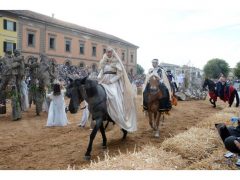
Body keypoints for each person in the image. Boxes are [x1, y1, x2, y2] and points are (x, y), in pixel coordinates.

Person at [97, 47, 137, 132]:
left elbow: (119, 74)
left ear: (113, 53)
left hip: (113, 83)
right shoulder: (104, 60)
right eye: (107, 52)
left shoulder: (116, 61)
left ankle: (117, 115)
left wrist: (111, 81)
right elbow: (101, 71)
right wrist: (99, 77)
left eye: (110, 52)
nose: (108, 53)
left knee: (114, 96)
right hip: (104, 80)